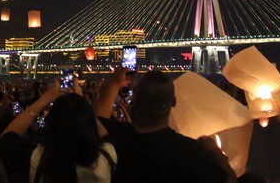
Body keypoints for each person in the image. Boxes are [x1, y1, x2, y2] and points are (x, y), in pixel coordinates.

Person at [92, 69, 231, 183]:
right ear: (174, 102)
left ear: (134, 103)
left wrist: (115, 83)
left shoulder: (116, 140)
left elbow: (96, 119)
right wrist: (215, 151)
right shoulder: (191, 151)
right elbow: (230, 180)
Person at [29, 92, 114, 183]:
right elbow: (104, 136)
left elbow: (12, 135)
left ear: (51, 123)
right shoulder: (104, 159)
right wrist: (81, 105)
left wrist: (45, 99)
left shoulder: (38, 158)